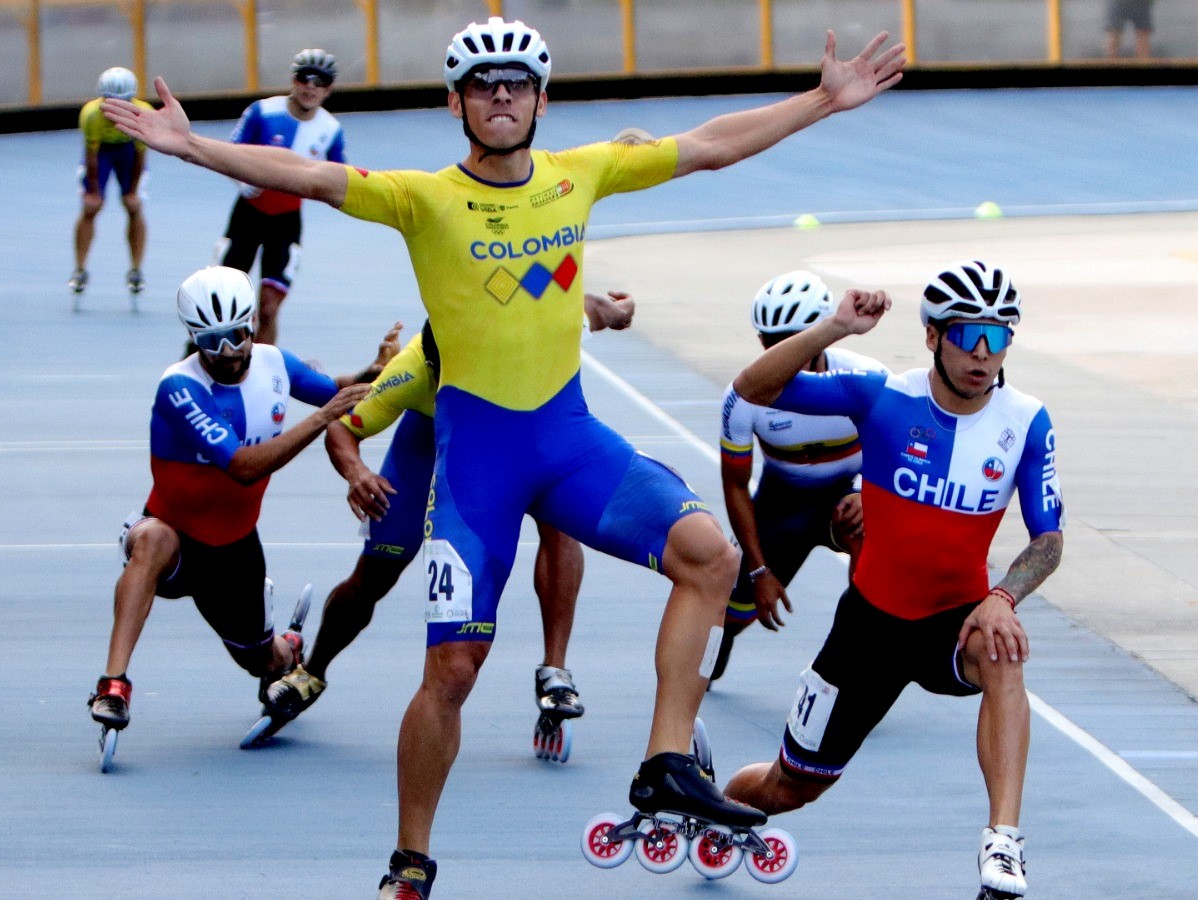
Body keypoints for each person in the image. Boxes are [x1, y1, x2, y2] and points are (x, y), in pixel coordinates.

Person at [102, 19, 904, 897]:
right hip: (477, 468)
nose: (500, 95)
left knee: (710, 557)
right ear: (455, 102)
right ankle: (410, 862)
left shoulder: (580, 174)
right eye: (482, 84)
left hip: (567, 442)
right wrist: (190, 146)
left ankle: (665, 762)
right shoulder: (421, 197)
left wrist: (823, 100)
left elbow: (710, 145)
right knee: (451, 673)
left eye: (516, 82)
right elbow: (306, 176)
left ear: (540, 100)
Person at [722, 261, 1065, 900]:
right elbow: (752, 388)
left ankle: (1003, 841)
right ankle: (714, 803)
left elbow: (1048, 540)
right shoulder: (881, 395)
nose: (983, 353)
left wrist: (1003, 596)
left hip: (954, 620)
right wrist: (834, 328)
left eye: (997, 336)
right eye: (967, 335)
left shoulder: (1027, 421)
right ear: (932, 336)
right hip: (868, 630)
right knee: (788, 787)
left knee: (1003, 648)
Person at [268, 291, 637, 739]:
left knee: (560, 521)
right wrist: (358, 474)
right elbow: (341, 431)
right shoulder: (409, 370)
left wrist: (620, 311)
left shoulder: (529, 334)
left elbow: (586, 306)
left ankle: (554, 670)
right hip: (432, 441)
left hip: (517, 427)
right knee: (376, 572)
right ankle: (313, 670)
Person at [87, 265, 398, 738]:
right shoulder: (180, 388)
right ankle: (113, 684)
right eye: (212, 342)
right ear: (193, 338)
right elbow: (242, 466)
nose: (228, 352)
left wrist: (375, 373)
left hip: (233, 551)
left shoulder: (275, 364)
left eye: (236, 335)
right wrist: (321, 419)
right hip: (175, 538)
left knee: (264, 661)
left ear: (252, 323)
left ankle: (286, 649)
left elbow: (338, 394)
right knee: (149, 540)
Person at [713, 270, 888, 683]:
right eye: (771, 343)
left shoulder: (867, 378)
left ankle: (855, 648)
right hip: (781, 505)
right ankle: (727, 635)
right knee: (731, 615)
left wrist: (868, 493)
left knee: (863, 528)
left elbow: (897, 455)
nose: (783, 353)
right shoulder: (745, 396)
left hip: (844, 497)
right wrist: (759, 572)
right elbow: (735, 485)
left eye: (794, 339)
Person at [215, 49, 348, 346]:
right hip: (248, 215)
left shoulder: (330, 130)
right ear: (293, 80)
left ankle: (262, 365)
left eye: (320, 81)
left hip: (286, 222)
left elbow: (340, 176)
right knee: (227, 301)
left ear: (329, 90)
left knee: (268, 308)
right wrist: (242, 182)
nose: (310, 87)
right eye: (304, 78)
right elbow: (229, 153)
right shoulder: (262, 112)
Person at [71, 67, 154, 297]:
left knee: (134, 207)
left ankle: (136, 269)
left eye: (123, 103)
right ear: (102, 99)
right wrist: (94, 192)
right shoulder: (91, 115)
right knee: (90, 207)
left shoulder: (143, 114)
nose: (116, 109)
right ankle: (79, 269)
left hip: (128, 151)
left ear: (132, 100)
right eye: (110, 103)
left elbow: (140, 154)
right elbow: (91, 156)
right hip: (102, 154)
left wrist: (132, 191)